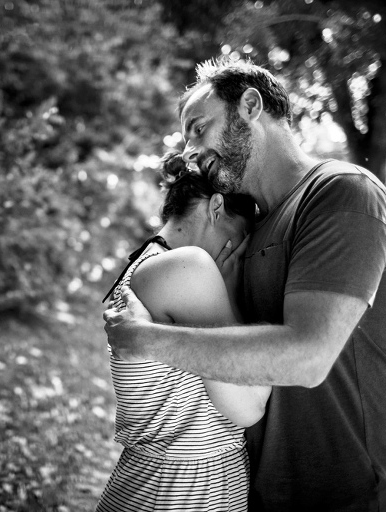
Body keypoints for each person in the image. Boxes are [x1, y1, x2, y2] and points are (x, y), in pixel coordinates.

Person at [103, 58, 386, 511]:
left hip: (354, 493)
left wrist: (145, 339)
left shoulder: (341, 193)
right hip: (264, 492)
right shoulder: (251, 226)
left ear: (251, 106)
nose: (190, 151)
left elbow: (307, 357)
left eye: (199, 128)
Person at [96, 152, 271, 512]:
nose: (238, 251)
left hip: (162, 486)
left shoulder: (145, 263)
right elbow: (248, 407)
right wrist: (231, 284)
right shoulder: (188, 268)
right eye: (240, 237)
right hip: (179, 494)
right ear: (216, 208)